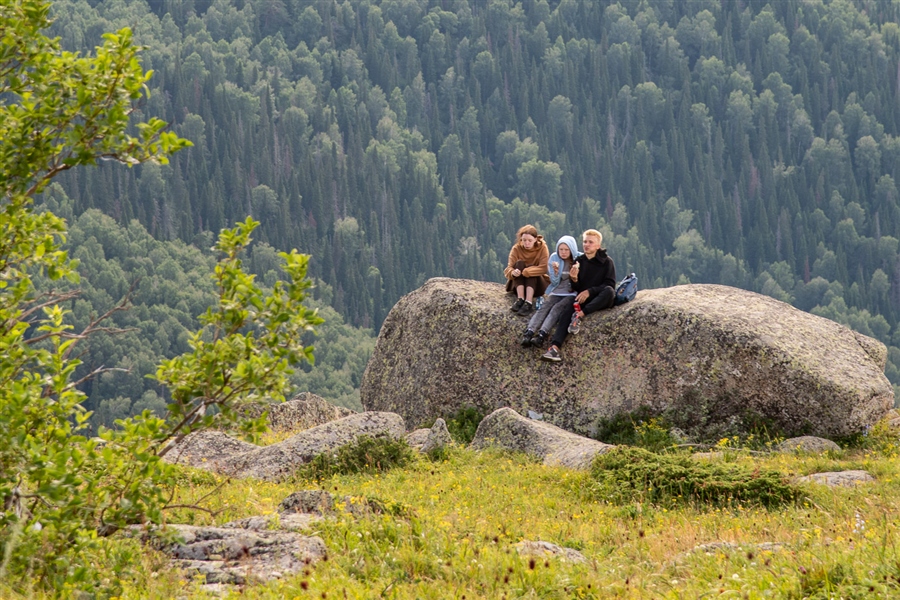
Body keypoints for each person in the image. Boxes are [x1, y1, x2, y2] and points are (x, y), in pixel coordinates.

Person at [541, 229, 616, 362]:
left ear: (598, 246)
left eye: (590, 242)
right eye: (585, 241)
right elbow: (576, 288)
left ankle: (579, 315)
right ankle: (555, 347)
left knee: (609, 292)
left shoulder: (606, 261)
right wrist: (574, 279)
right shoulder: (579, 261)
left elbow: (609, 284)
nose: (586, 245)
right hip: (582, 298)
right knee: (565, 312)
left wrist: (590, 291)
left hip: (599, 297)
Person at [521, 235, 580, 348]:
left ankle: (542, 334)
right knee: (545, 306)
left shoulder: (580, 259)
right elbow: (554, 282)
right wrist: (556, 272)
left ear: (572, 249)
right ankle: (529, 332)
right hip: (557, 290)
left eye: (566, 250)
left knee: (557, 308)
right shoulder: (554, 258)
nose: (563, 252)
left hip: (572, 293)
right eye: (561, 249)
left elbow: (581, 281)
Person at [504, 224, 550, 317]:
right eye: (524, 240)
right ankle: (520, 299)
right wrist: (513, 272)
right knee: (519, 264)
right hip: (519, 284)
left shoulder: (542, 247)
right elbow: (508, 268)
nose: (527, 243)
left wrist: (528, 271)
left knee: (531, 270)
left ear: (535, 239)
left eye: (530, 240)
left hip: (537, 285)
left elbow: (544, 267)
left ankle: (528, 302)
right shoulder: (517, 248)